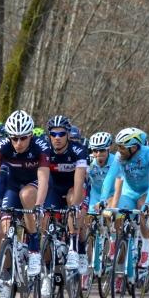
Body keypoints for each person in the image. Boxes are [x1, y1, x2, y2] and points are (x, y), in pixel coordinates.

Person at [0, 110, 50, 298]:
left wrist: (39, 205)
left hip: (33, 184)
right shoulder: (2, 146)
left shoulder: (40, 146)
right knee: (5, 224)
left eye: (23, 138)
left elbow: (43, 178)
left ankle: (34, 247)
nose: (18, 143)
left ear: (30, 135)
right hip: (12, 184)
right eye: (14, 138)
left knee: (27, 196)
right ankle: (6, 280)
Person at [98, 127, 149, 287]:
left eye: (122, 147)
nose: (118, 150)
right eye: (118, 146)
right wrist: (104, 199)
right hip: (129, 191)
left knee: (142, 208)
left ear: (134, 147)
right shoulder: (120, 156)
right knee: (117, 210)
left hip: (146, 192)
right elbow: (110, 177)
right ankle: (116, 243)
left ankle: (145, 250)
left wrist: (148, 203)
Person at [43, 115, 89, 279]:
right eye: (53, 134)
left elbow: (79, 182)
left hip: (74, 187)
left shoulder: (78, 150)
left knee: (75, 211)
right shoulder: (45, 150)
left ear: (68, 134)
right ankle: (48, 271)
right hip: (54, 188)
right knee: (44, 220)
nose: (57, 138)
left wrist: (75, 206)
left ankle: (76, 249)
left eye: (61, 134)